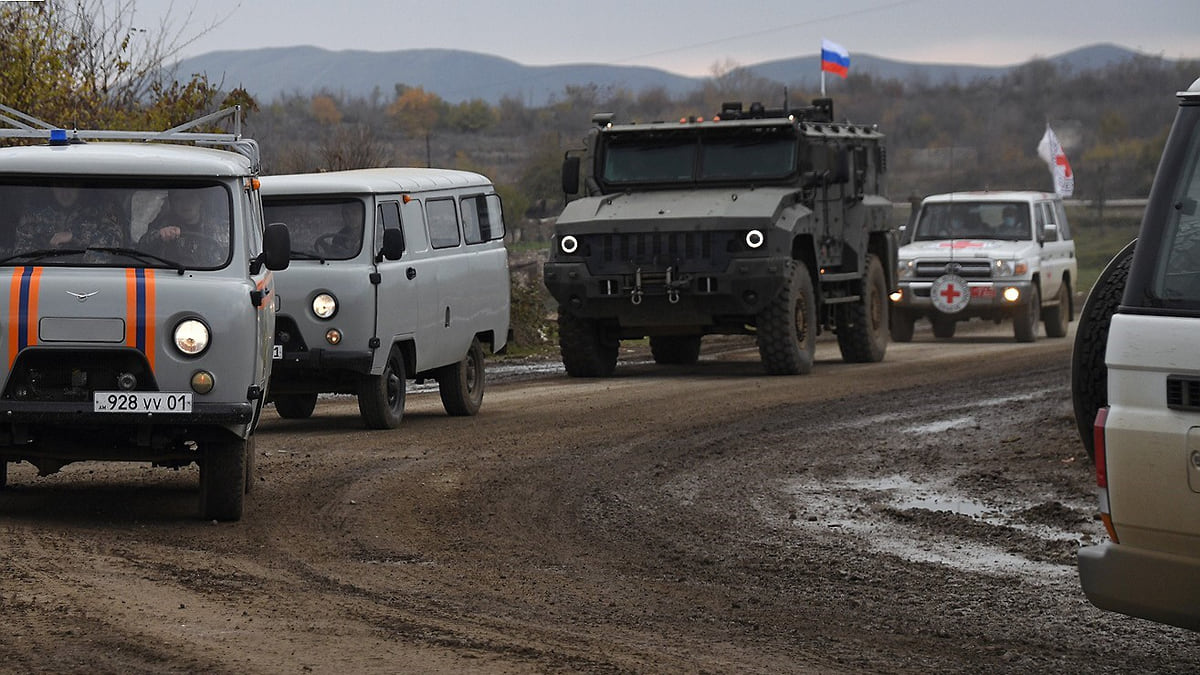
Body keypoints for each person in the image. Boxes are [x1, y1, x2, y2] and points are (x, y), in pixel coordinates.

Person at [16, 184, 123, 251]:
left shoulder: (100, 210)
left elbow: (116, 241)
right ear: (52, 188)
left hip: (93, 274)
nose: (65, 193)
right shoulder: (35, 213)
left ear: (79, 187)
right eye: (59, 187)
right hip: (46, 275)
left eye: (70, 186)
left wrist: (75, 236)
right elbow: (21, 252)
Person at [139, 188, 229, 265]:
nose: (185, 203)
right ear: (172, 203)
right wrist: (159, 236)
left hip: (211, 277)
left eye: (190, 197)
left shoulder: (220, 228)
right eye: (178, 199)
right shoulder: (162, 224)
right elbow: (141, 251)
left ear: (200, 200)